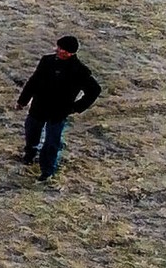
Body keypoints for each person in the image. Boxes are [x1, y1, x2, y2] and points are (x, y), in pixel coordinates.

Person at [16, 36, 102, 180]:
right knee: (31, 131)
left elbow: (94, 90)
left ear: (70, 53)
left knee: (51, 143)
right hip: (38, 107)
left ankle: (47, 171)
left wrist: (75, 107)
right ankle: (30, 153)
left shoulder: (79, 71)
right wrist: (23, 100)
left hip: (58, 112)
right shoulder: (46, 61)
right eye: (58, 46)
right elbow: (33, 81)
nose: (58, 50)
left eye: (62, 49)